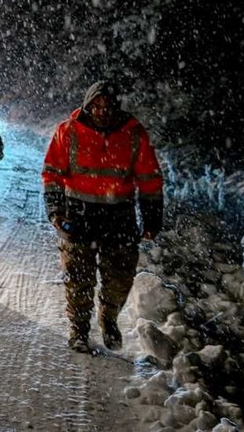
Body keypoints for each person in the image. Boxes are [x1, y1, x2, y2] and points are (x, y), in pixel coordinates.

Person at [42, 80, 164, 353]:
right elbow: (52, 173)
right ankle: (79, 331)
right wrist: (55, 211)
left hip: (119, 217)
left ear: (116, 108)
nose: (102, 112)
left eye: (108, 106)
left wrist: (152, 218)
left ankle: (108, 319)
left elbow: (150, 179)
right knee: (78, 278)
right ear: (87, 106)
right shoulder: (68, 132)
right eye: (96, 106)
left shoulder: (133, 134)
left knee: (120, 279)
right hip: (79, 214)